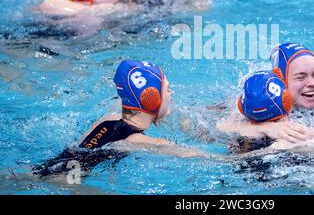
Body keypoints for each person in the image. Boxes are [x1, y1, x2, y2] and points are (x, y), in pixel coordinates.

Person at [33, 59, 209, 179]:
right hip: (61, 184)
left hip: (45, 170)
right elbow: (200, 157)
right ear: (151, 99)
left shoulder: (108, 119)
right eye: (168, 90)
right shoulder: (141, 141)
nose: (172, 94)